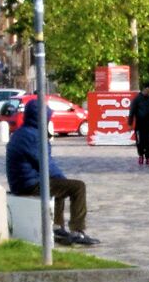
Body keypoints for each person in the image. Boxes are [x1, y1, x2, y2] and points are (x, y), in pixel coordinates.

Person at [6, 96, 96, 245]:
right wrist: (63, 179)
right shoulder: (33, 136)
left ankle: (57, 228)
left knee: (58, 186)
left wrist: (60, 180)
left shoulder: (23, 132)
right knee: (77, 187)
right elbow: (46, 163)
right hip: (28, 185)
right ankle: (77, 231)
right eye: (48, 117)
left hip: (22, 182)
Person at [128, 83, 149, 168]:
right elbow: (131, 112)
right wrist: (130, 123)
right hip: (140, 125)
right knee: (140, 142)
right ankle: (140, 156)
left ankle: (148, 158)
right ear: (144, 89)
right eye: (148, 91)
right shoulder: (137, 99)